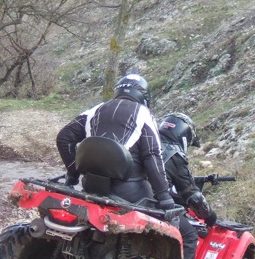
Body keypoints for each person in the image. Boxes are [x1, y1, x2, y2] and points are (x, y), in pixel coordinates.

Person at [56, 74, 175, 209]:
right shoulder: (143, 113)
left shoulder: (95, 110)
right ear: (144, 96)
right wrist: (164, 195)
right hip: (129, 190)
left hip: (91, 185)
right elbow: (152, 155)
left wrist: (73, 174)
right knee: (171, 221)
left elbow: (64, 138)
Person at [159, 112, 217, 259]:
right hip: (155, 205)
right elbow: (191, 193)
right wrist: (209, 215)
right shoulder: (174, 154)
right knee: (190, 236)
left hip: (133, 196)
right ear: (183, 136)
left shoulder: (146, 141)